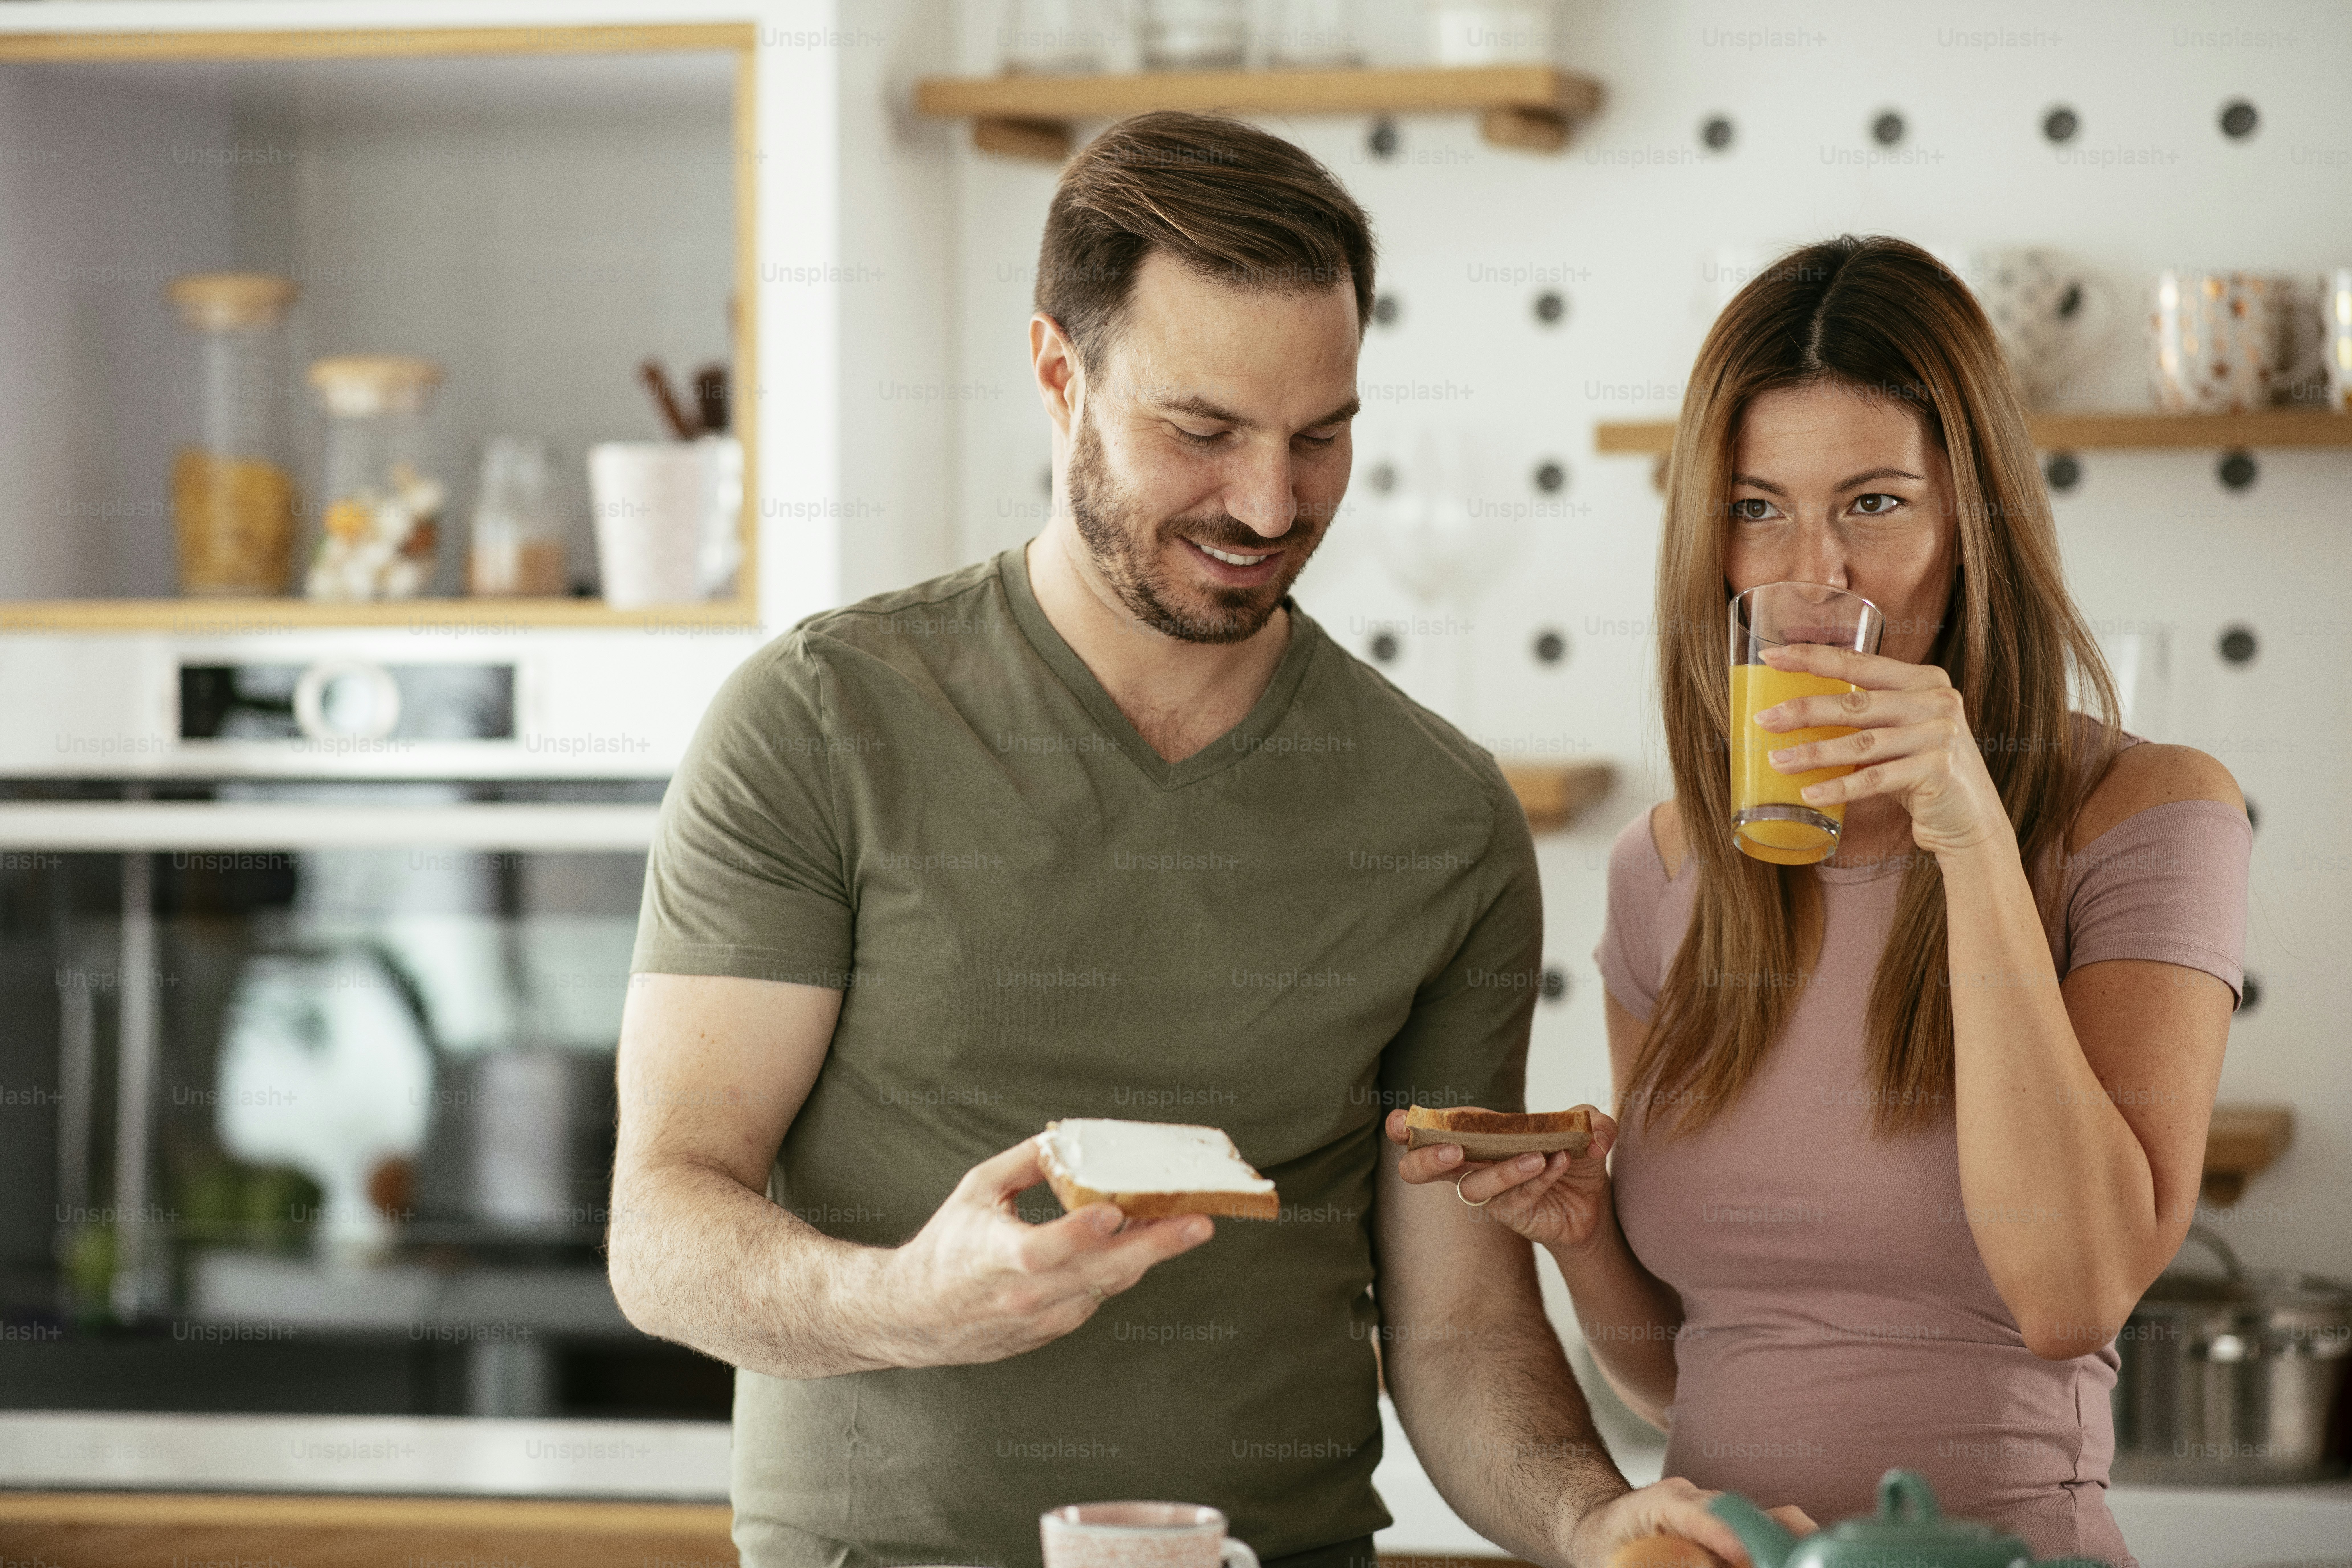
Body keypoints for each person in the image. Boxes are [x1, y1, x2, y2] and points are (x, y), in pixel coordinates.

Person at [606, 112, 1773, 1568]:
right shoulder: (819, 724)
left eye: (1322, 435)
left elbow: (1460, 1317)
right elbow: (662, 1222)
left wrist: (1589, 1515)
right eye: (1202, 432)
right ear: (1058, 374)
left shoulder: (1443, 815)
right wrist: (903, 1300)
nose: (1270, 504)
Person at [1405, 235, 2249, 1566]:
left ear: (1972, 518)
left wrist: (1967, 830)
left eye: (1872, 503)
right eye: (1756, 509)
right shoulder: (1667, 869)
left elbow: (2073, 1291)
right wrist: (1584, 1239)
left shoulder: (2143, 815)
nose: (1813, 579)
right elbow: (1694, 1372)